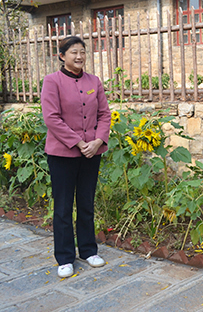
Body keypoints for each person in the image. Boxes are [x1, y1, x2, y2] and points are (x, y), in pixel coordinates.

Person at [41, 36, 111, 278]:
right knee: (62, 207)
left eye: (82, 51)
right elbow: (51, 118)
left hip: (92, 153)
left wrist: (98, 141)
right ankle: (64, 257)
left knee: (86, 203)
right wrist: (79, 143)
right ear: (62, 56)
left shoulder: (94, 81)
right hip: (62, 154)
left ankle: (89, 250)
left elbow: (104, 114)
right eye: (73, 52)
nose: (79, 56)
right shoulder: (52, 82)